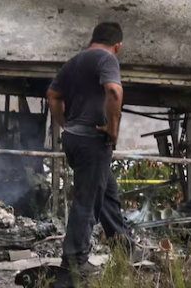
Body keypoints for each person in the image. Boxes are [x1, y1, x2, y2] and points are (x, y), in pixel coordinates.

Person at [46, 21, 144, 278]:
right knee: (87, 201)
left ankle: (125, 249)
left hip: (74, 139)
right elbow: (113, 91)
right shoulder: (107, 59)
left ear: (92, 40)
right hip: (93, 140)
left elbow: (52, 95)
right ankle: (74, 261)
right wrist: (113, 128)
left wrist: (66, 124)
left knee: (107, 193)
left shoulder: (74, 62)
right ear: (118, 46)